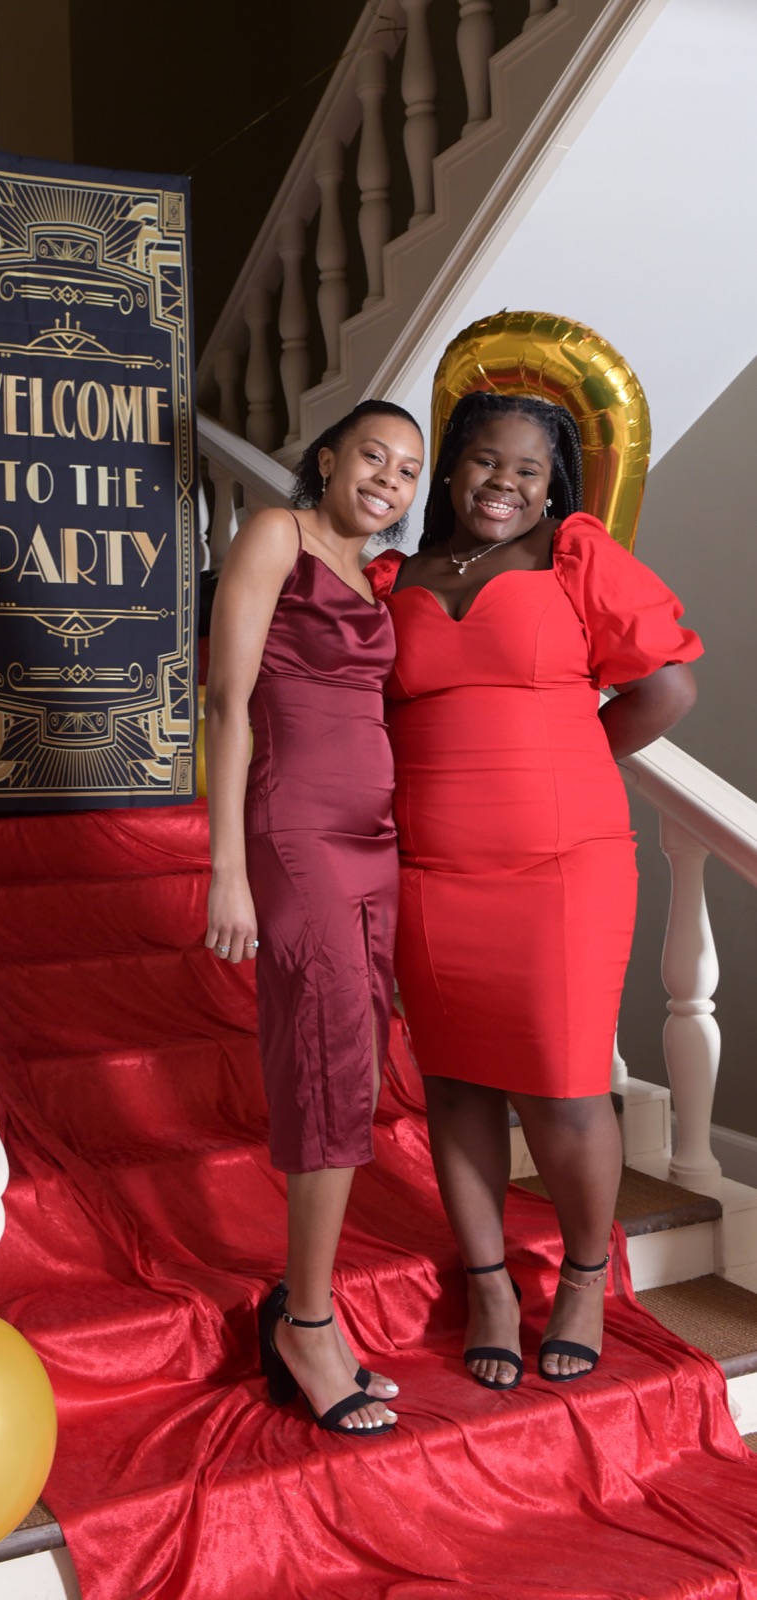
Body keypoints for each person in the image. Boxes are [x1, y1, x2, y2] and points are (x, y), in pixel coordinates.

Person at [367, 391, 701, 1389]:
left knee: (561, 1092)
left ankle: (588, 1277)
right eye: (481, 461)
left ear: (551, 480)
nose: (500, 483)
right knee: (457, 1086)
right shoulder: (395, 575)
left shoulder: (573, 555)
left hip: (563, 867)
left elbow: (668, 686)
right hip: (428, 867)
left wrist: (575, 756)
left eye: (523, 467)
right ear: (450, 469)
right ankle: (491, 1284)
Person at [203, 399, 424, 1435]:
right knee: (329, 1065)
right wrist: (229, 870)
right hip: (296, 835)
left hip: (373, 841)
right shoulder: (273, 534)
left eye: (409, 469)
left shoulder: (371, 576)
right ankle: (303, 1320)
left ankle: (316, 1322)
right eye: (372, 454)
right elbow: (229, 703)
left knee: (353, 1066)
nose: (389, 477)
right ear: (328, 457)